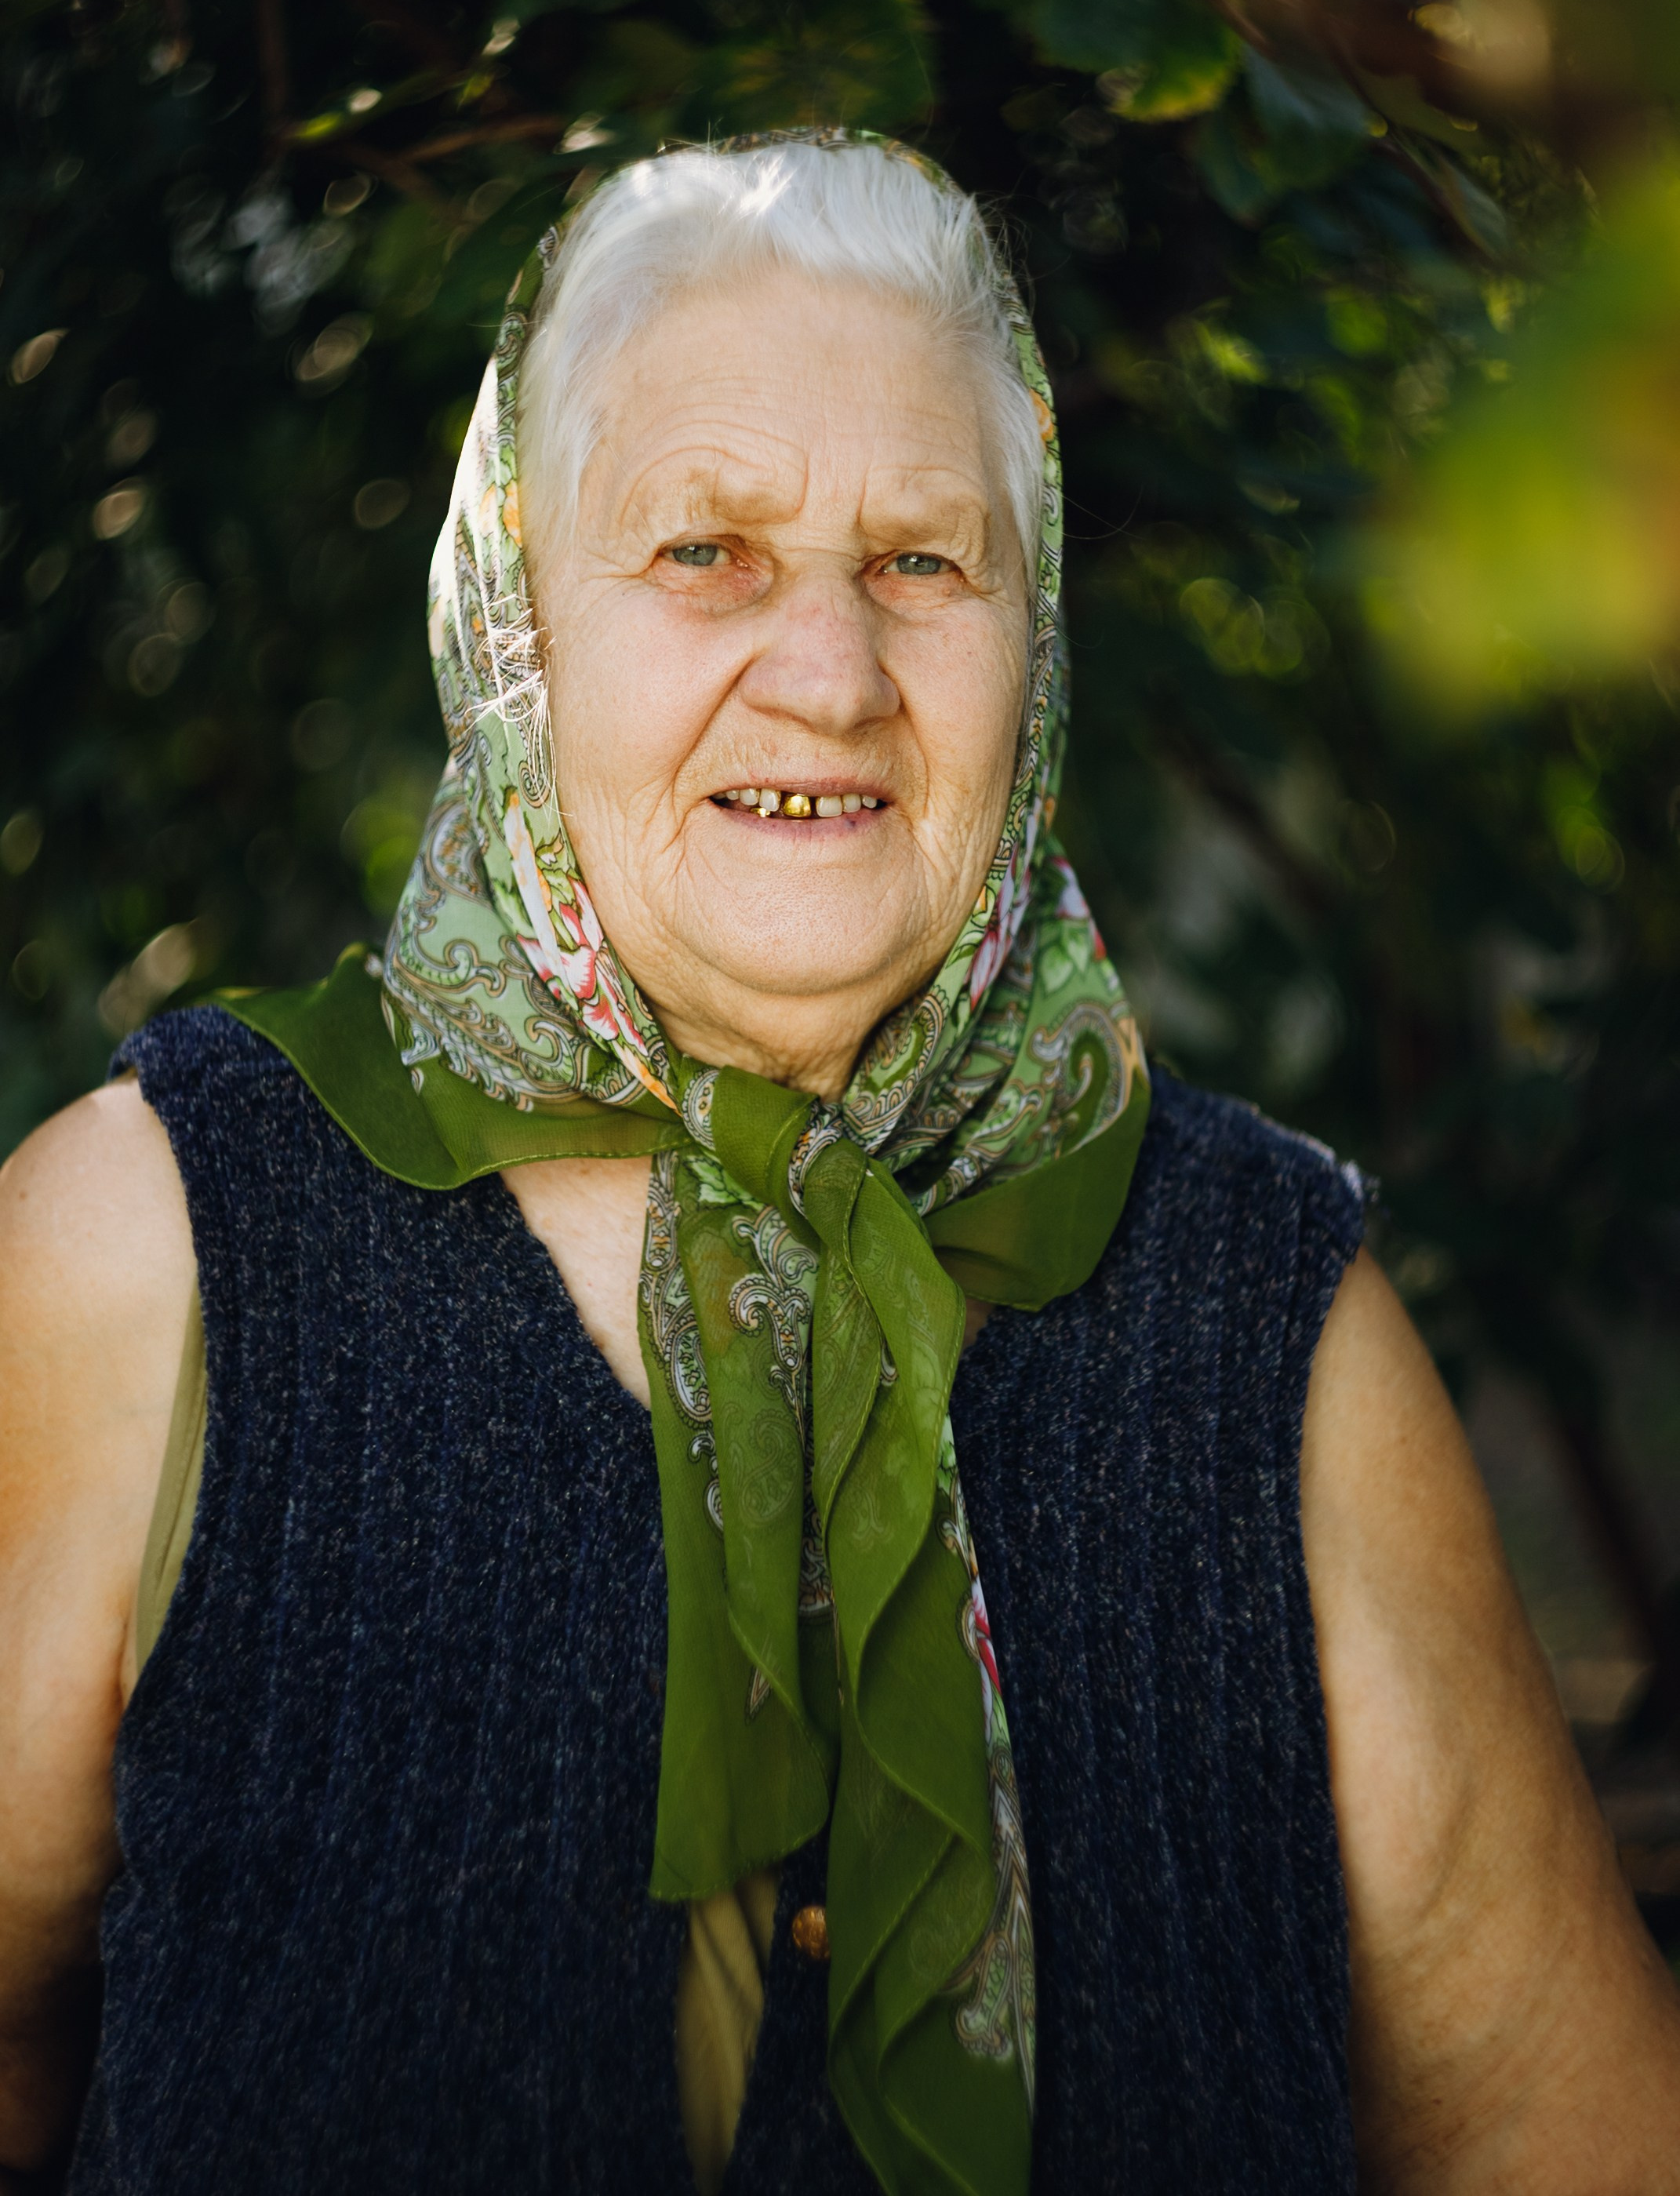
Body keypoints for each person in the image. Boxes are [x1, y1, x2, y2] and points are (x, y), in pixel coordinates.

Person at [1, 131, 1676, 2196]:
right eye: (704, 550)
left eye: (924, 560)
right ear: (518, 625)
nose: (831, 670)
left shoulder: (1273, 1333)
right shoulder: (149, 1249)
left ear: (1030, 643)